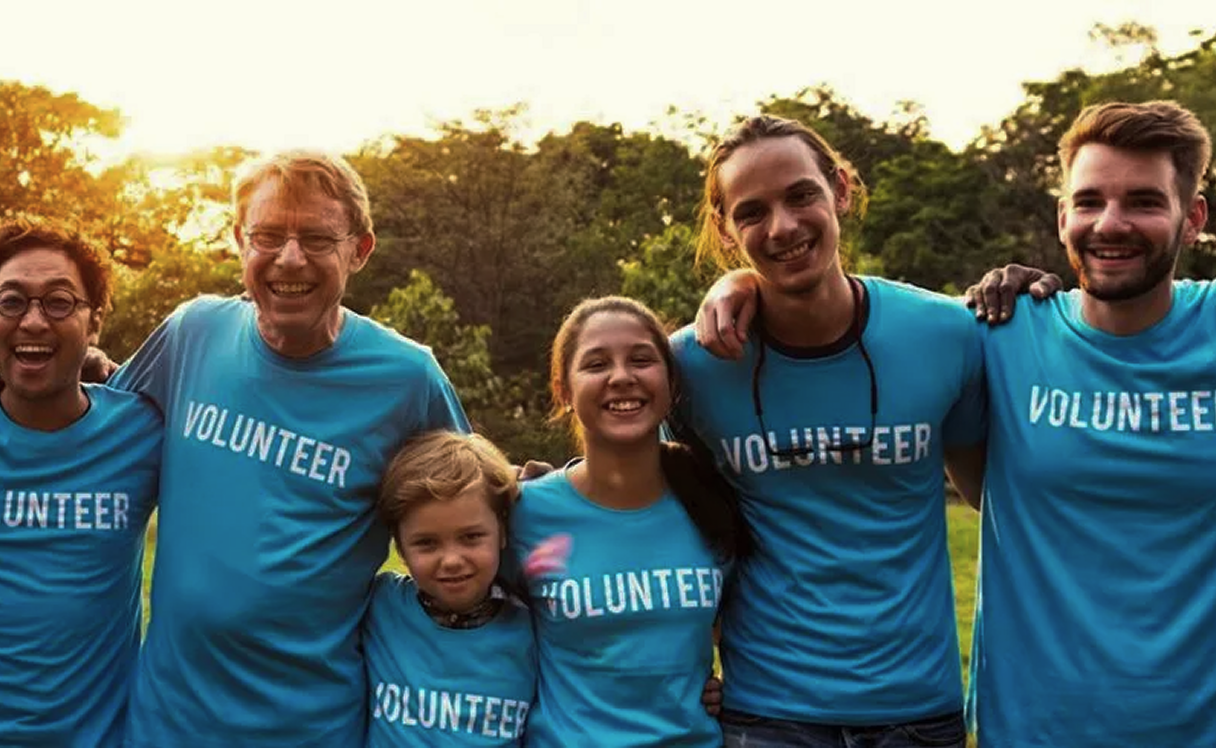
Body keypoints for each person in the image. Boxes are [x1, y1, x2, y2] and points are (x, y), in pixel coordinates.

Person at [108, 151, 470, 746]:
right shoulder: (190, 334)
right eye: (268, 236)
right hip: (166, 725)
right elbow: (91, 432)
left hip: (312, 728)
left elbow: (471, 508)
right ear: (237, 241)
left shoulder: (407, 379)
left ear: (360, 249)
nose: (290, 258)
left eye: (318, 238)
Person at [671, 115, 987, 747]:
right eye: (752, 212)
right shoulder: (693, 366)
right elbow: (662, 523)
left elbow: (991, 496)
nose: (783, 227)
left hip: (917, 710)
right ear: (725, 231)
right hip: (765, 709)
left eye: (801, 195)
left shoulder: (946, 334)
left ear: (840, 189)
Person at [959, 100, 1215, 746]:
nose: (1112, 223)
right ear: (1062, 215)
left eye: (1145, 202)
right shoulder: (995, 335)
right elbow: (840, 317)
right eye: (1090, 200)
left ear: (1194, 220)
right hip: (1032, 730)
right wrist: (740, 283)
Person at [510, 296, 748, 747]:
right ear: (563, 389)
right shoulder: (524, 514)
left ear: (671, 383)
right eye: (596, 364)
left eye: (641, 359)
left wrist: (712, 686)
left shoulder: (711, 505)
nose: (622, 377)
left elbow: (732, 630)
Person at [0, 217, 161, 746]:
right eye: (11, 302)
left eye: (60, 302)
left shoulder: (144, 430)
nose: (33, 321)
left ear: (93, 324)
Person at [364, 430, 536, 747]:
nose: (452, 560)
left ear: (502, 531)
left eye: (471, 537)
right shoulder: (379, 607)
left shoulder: (536, 630)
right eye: (427, 543)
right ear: (400, 548)